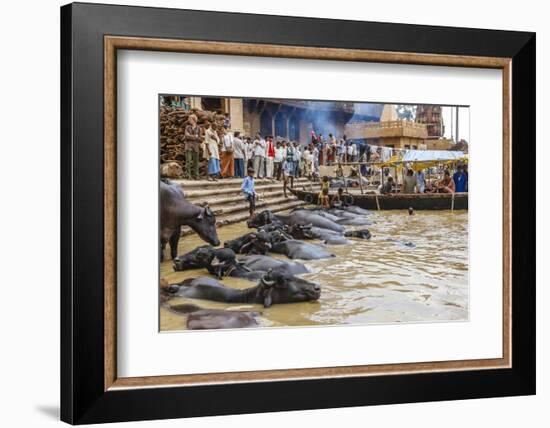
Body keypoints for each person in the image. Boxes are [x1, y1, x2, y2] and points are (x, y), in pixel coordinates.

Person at [183, 114, 202, 179]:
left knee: (196, 162)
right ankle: (189, 175)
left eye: (190, 119)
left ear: (194, 120)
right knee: (188, 161)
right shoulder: (187, 127)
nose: (189, 120)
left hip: (196, 147)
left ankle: (196, 175)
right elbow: (186, 136)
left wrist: (190, 136)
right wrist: (195, 136)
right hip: (188, 146)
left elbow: (200, 138)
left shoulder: (199, 128)